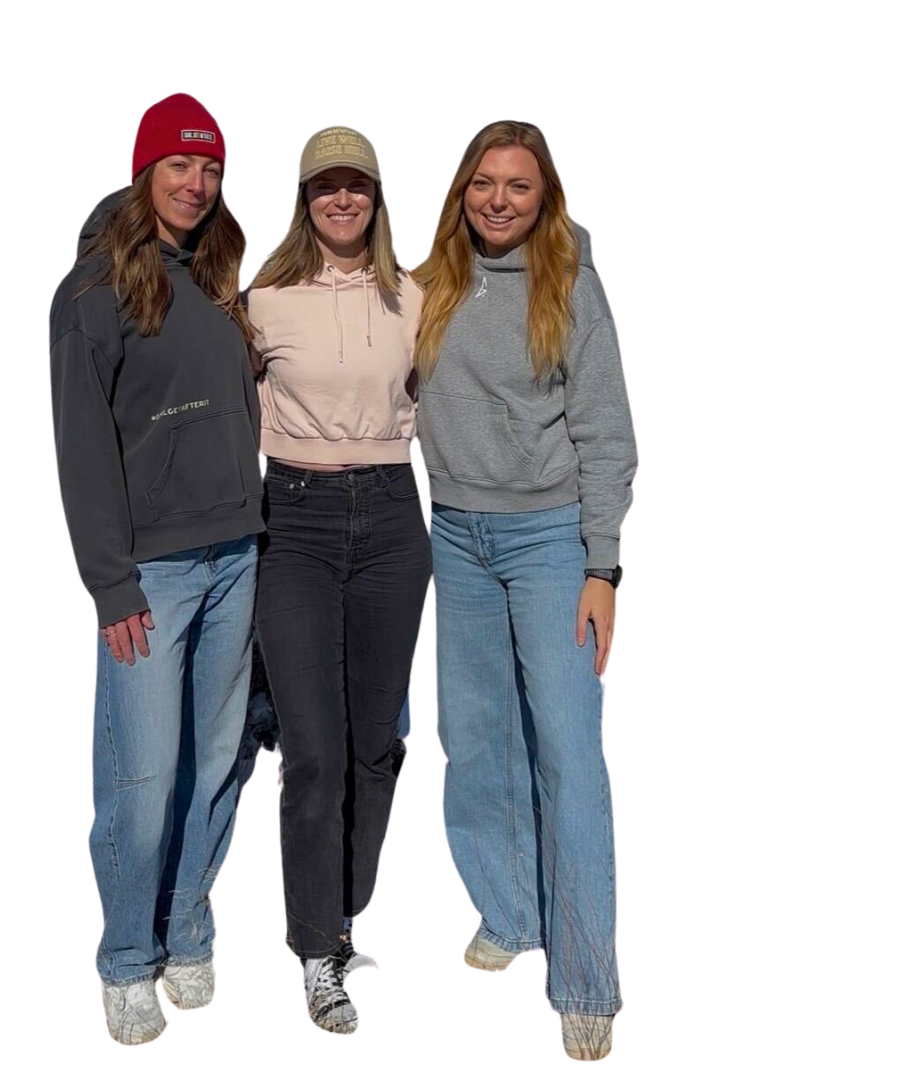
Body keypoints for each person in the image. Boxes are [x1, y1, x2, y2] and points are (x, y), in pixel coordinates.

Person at [412, 119, 637, 1063]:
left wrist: (600, 567)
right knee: (475, 740)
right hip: (453, 535)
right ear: (461, 189)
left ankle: (587, 983)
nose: (498, 200)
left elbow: (607, 430)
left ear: (545, 197)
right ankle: (510, 919)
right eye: (483, 183)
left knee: (569, 754)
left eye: (518, 186)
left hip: (548, 540)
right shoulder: (435, 279)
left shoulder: (571, 283)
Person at [49, 93, 264, 1047]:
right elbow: (82, 446)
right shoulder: (93, 291)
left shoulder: (217, 278)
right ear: (145, 172)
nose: (197, 183)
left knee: (213, 764)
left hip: (235, 556)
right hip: (151, 574)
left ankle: (188, 940)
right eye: (180, 164)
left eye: (212, 168)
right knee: (142, 776)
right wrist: (111, 578)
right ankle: (126, 959)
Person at [245, 126, 432, 1035]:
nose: (343, 199)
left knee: (374, 746)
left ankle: (355, 925)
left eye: (357, 184)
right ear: (306, 199)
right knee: (312, 748)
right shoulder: (263, 300)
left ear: (378, 196)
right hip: (296, 523)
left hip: (393, 520)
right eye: (327, 186)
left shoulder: (416, 297)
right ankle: (316, 953)